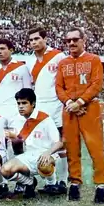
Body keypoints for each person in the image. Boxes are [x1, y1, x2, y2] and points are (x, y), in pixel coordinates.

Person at [56, 27, 104, 204]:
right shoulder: (63, 63)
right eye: (68, 40)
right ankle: (75, 183)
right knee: (71, 148)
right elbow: (59, 87)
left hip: (89, 108)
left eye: (75, 39)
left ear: (83, 40)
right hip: (69, 109)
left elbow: (97, 84)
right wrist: (70, 103)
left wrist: (80, 102)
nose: (71, 43)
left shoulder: (94, 59)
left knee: (96, 148)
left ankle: (100, 184)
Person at [25, 27, 68, 194]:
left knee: (61, 145)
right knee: (43, 144)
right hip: (40, 108)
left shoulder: (58, 56)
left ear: (45, 38)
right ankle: (51, 181)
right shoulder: (29, 61)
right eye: (31, 40)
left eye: (37, 39)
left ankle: (63, 182)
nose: (34, 42)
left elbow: (65, 81)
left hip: (57, 106)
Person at [1, 88, 63, 199]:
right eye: (18, 103)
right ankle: (29, 182)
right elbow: (16, 147)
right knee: (5, 170)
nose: (20, 106)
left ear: (33, 104)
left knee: (44, 164)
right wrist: (15, 141)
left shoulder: (45, 119)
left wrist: (48, 153)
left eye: (24, 103)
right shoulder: (14, 120)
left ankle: (51, 184)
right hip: (27, 157)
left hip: (46, 155)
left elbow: (59, 143)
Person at [0, 38, 31, 121]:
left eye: (2, 49)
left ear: (11, 50)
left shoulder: (22, 67)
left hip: (16, 112)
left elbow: (28, 91)